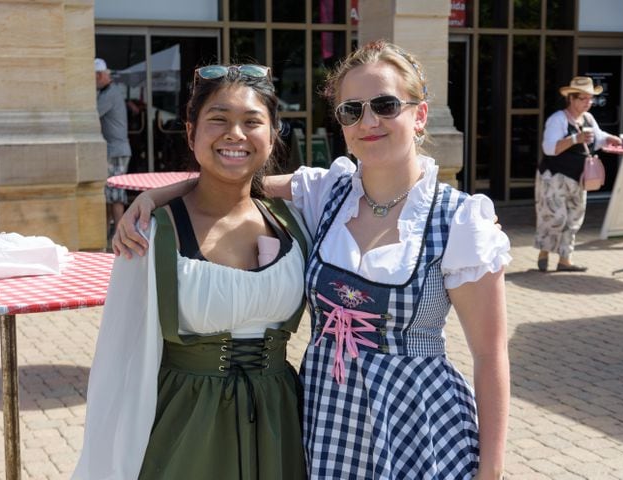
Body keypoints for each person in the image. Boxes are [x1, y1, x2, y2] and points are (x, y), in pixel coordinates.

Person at [115, 41, 510, 480]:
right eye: (351, 110)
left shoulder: (459, 220)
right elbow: (240, 178)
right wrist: (152, 197)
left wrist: (490, 470)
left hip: (415, 422)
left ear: (419, 115)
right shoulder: (330, 192)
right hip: (328, 418)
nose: (368, 121)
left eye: (385, 105)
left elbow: (489, 355)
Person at [73, 64, 310, 479]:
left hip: (279, 425)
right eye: (217, 119)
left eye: (252, 122)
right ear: (191, 133)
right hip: (186, 429)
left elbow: (370, 181)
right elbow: (120, 361)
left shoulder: (298, 219)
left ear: (272, 138)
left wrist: (156, 190)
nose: (235, 134)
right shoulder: (150, 234)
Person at [537, 76, 621, 272]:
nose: (588, 102)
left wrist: (611, 139)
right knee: (554, 217)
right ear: (571, 99)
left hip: (579, 177)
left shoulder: (589, 119)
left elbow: (597, 139)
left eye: (590, 98)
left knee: (574, 218)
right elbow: (549, 148)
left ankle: (565, 259)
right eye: (583, 98)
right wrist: (575, 138)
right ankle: (544, 252)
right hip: (555, 176)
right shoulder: (557, 119)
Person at [95, 58, 132, 232]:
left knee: (116, 194)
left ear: (100, 75)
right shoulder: (107, 91)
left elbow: (93, 113)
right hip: (114, 149)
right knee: (110, 194)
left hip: (116, 150)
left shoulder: (109, 93)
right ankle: (111, 231)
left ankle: (119, 232)